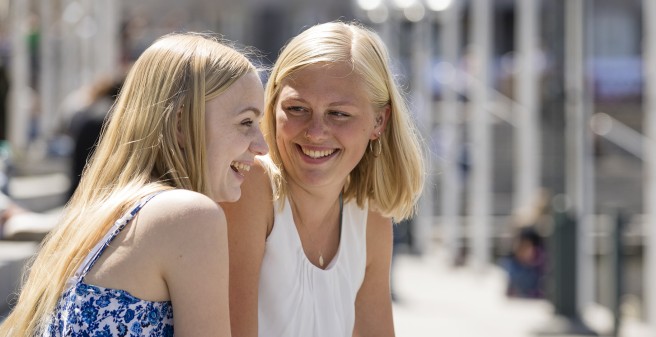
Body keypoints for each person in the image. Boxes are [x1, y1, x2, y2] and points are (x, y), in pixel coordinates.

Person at [0, 32, 267, 336]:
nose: (261, 146)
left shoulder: (102, 215)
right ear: (181, 123)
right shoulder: (190, 215)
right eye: (246, 122)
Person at [221, 21, 425, 337]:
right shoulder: (250, 186)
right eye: (297, 108)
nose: (315, 132)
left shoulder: (370, 217)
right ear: (272, 108)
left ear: (379, 122)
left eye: (339, 114)